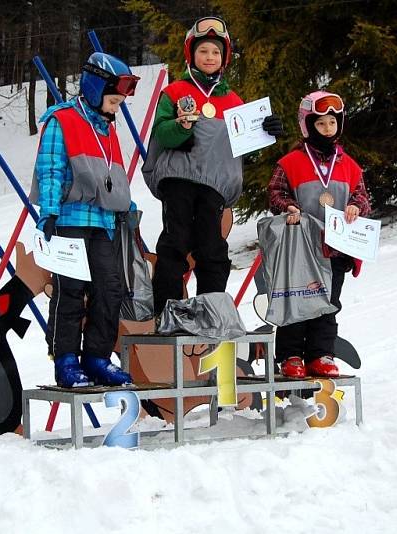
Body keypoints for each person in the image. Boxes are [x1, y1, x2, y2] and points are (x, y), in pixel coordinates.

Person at [143, 17, 284, 316]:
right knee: (176, 241)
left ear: (224, 58)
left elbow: (244, 152)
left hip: (214, 184)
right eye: (204, 51)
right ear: (191, 54)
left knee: (212, 248)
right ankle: (166, 310)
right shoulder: (175, 92)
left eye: (216, 52)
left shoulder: (234, 101)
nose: (209, 57)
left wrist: (265, 133)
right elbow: (161, 135)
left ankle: (210, 312)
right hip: (179, 178)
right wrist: (182, 127)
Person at [30, 52, 138, 388]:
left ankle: (96, 357)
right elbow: (50, 169)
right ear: (94, 87)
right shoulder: (62, 120)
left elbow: (111, 174)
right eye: (113, 99)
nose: (116, 106)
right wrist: (48, 212)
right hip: (70, 219)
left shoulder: (108, 128)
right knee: (71, 291)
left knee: (111, 289)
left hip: (102, 222)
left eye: (120, 102)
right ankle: (65, 359)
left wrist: (125, 206)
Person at [268, 90, 371, 378]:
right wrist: (287, 205)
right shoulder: (290, 162)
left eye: (332, 123)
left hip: (334, 250)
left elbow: (363, 196)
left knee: (328, 305)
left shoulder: (349, 165)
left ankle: (321, 354)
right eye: (321, 123)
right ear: (307, 125)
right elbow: (275, 192)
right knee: (297, 301)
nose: (327, 129)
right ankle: (290, 355)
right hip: (300, 250)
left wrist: (354, 207)